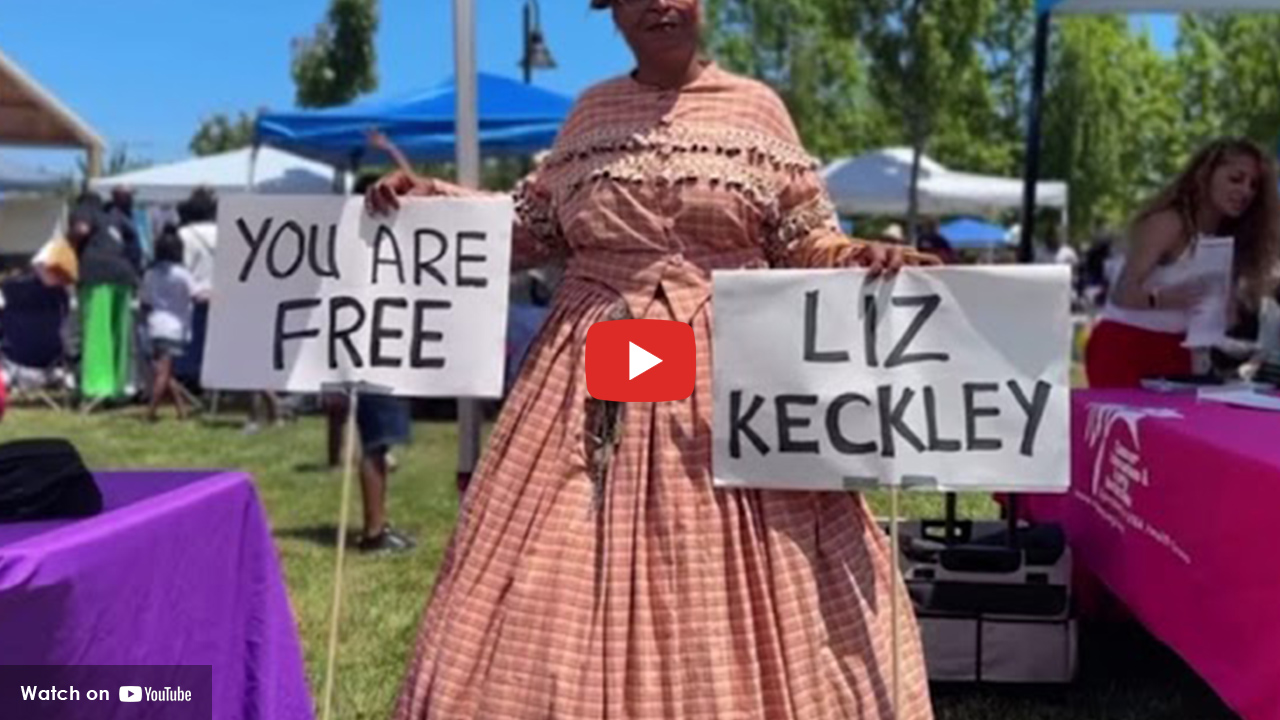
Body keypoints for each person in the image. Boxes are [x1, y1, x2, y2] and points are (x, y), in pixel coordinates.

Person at [369, 2, 940, 718]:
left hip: (732, 370)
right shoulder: (591, 112)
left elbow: (804, 238)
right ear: (610, 10)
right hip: (593, 360)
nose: (660, 3)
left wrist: (858, 255)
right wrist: (430, 205)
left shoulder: (756, 109)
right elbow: (533, 226)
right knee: (560, 549)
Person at [1085, 137, 1280, 388]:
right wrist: (1169, 298)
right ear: (1204, 175)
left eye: (1253, 185)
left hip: (1179, 350)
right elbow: (1123, 293)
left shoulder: (1230, 236)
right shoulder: (1168, 222)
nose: (1246, 191)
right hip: (1125, 344)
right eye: (1235, 179)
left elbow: (1217, 313)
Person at [68, 194, 139, 403]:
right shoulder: (115, 217)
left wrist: (67, 241)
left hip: (96, 274)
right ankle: (118, 387)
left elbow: (81, 229)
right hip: (124, 275)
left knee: (97, 331)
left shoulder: (84, 209)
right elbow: (133, 240)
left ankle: (97, 386)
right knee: (119, 333)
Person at [140, 229, 195, 421]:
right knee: (164, 373)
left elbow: (145, 301)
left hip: (155, 326)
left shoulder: (150, 274)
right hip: (174, 328)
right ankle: (150, 413)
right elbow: (195, 294)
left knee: (166, 372)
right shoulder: (182, 274)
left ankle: (182, 412)